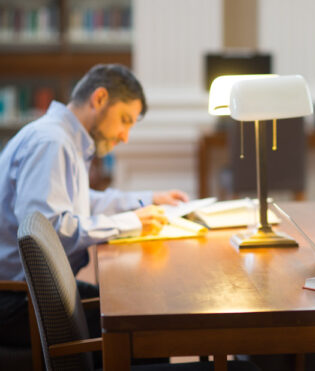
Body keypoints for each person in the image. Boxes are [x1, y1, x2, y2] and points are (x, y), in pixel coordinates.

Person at [0, 64, 189, 349]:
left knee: (138, 306)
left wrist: (148, 200)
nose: (125, 136)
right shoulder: (51, 142)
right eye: (125, 120)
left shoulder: (61, 137)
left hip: (29, 293)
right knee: (144, 325)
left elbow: (81, 202)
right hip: (17, 301)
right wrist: (132, 222)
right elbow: (47, 231)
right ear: (99, 99)